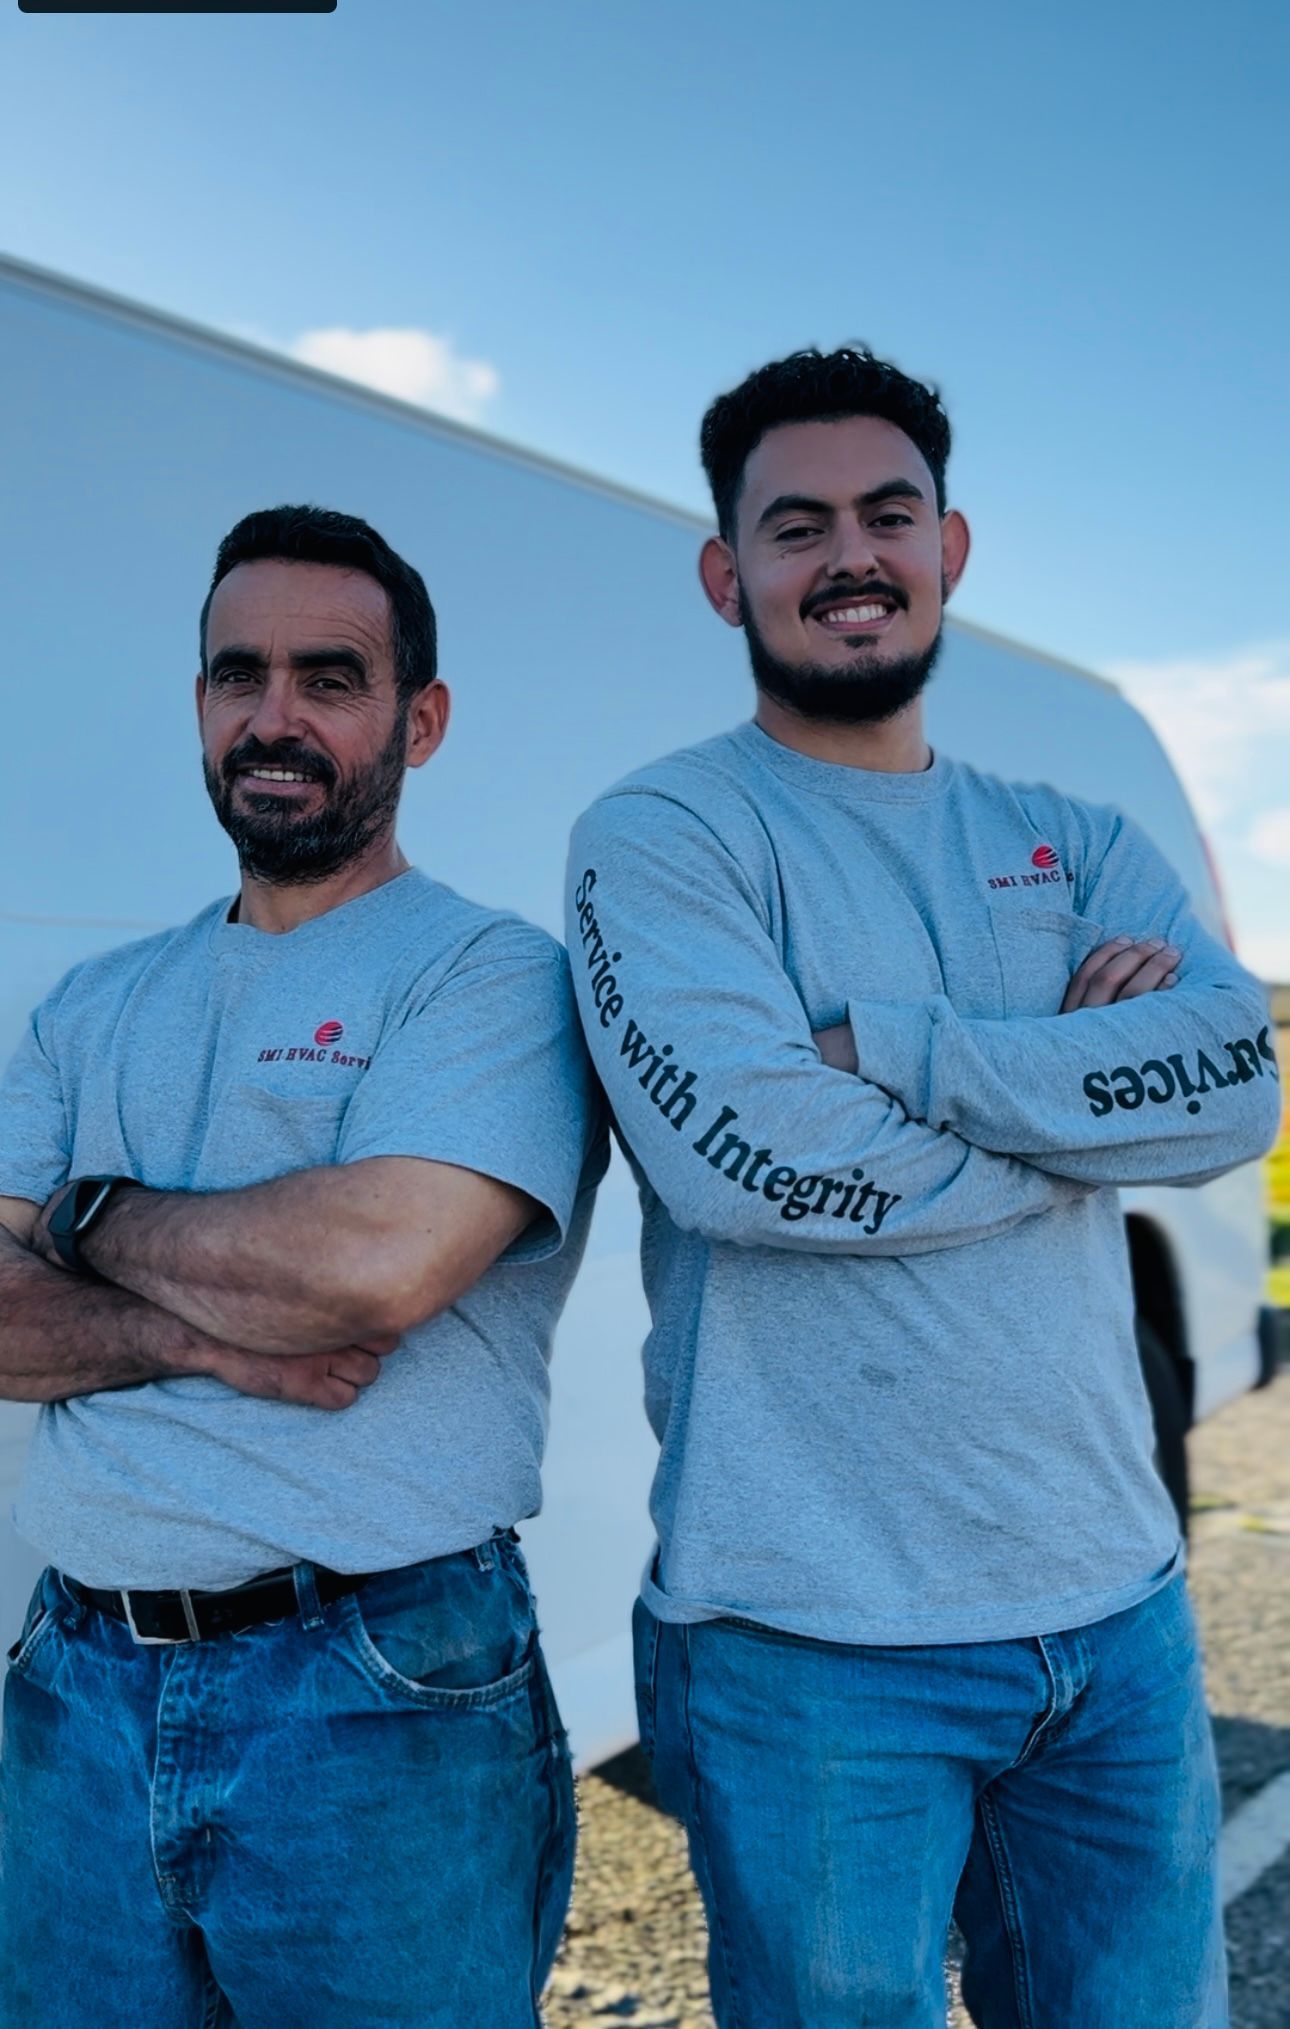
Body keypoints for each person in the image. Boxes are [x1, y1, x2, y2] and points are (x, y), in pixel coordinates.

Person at [565, 349, 1280, 2029]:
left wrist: (897, 1044)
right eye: (795, 524)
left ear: (950, 546)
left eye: (888, 513)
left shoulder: (1073, 832)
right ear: (724, 572)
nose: (850, 555)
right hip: (809, 1646)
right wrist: (1078, 1102)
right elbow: (753, 1165)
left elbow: (1233, 1083)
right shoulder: (664, 836)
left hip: (1117, 1620)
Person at [0, 504, 605, 2028]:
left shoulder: (485, 976)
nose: (274, 717)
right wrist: (216, 1338)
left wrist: (81, 1215)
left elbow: (366, 1270)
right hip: (74, 1684)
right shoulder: (97, 1000)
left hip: (375, 1693)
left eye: (328, 677)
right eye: (236, 674)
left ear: (421, 717)